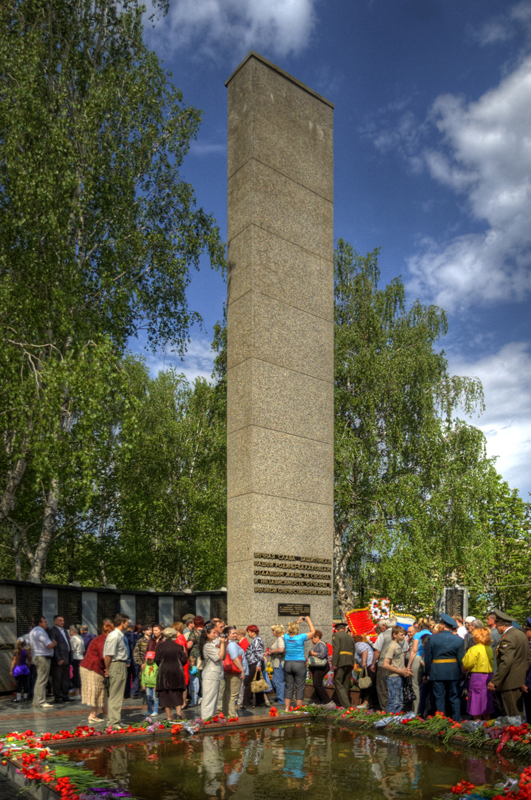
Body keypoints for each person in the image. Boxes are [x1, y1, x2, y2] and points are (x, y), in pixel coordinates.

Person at [487, 609, 531, 717]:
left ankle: (516, 733)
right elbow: (528, 658)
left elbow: (506, 661)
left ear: (502, 624)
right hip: (520, 679)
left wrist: (495, 680)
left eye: (497, 624)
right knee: (518, 714)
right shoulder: (520, 634)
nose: (496, 627)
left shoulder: (508, 638)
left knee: (512, 715)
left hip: (510, 682)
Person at [423, 613, 464, 721]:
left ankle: (441, 721)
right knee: (454, 697)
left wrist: (427, 673)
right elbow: (460, 659)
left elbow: (428, 658)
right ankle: (456, 720)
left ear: (443, 625)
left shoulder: (432, 638)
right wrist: (461, 672)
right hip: (453, 672)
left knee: (439, 698)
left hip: (437, 671)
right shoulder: (459, 640)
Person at [80, 618, 114, 723]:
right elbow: (104, 655)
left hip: (91, 666)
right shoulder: (103, 640)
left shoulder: (101, 638)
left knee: (101, 690)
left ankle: (106, 713)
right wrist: (108, 668)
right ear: (108, 632)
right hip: (92, 667)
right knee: (96, 691)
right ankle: (92, 715)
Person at [103, 613, 130, 729]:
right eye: (127, 622)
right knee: (115, 695)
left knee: (119, 694)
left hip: (121, 664)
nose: (129, 624)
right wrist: (107, 669)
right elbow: (108, 654)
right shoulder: (114, 636)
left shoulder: (120, 635)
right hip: (116, 665)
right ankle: (113, 722)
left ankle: (116, 720)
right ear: (122, 623)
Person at [155, 628, 188, 721]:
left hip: (164, 672)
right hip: (177, 671)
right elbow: (184, 660)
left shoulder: (159, 647)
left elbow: (156, 659)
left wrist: (162, 665)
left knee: (165, 694)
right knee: (177, 693)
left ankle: (169, 717)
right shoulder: (179, 646)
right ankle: (178, 714)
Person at [284, 616, 316, 711]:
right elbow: (313, 632)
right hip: (299, 663)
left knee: (288, 686)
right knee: (300, 687)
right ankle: (298, 708)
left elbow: (288, 631)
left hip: (288, 663)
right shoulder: (301, 637)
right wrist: (309, 621)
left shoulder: (286, 637)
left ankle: (286, 708)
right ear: (297, 630)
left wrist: (297, 622)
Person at [462, 626, 494, 720]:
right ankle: (487, 723)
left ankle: (477, 723)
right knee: (486, 699)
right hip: (489, 676)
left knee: (476, 700)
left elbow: (467, 663)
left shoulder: (474, 649)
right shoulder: (489, 648)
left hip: (477, 676)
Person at [199, 622, 227, 719]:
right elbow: (218, 658)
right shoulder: (207, 646)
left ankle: (210, 719)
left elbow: (223, 656)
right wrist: (222, 643)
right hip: (210, 675)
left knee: (214, 699)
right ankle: (205, 719)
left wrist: (223, 643)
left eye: (216, 633)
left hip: (216, 674)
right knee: (208, 699)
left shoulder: (212, 644)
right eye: (213, 633)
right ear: (207, 635)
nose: (216, 634)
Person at [29, 615, 57, 708]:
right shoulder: (40, 631)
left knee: (39, 680)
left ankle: (36, 700)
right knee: (42, 680)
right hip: (43, 658)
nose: (46, 623)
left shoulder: (33, 631)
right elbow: (49, 645)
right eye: (44, 621)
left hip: (37, 656)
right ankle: (41, 701)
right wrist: (55, 644)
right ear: (39, 623)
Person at [383, 626, 412, 713]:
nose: (404, 636)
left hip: (398, 677)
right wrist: (400, 671)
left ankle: (395, 720)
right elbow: (385, 665)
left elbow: (398, 662)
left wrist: (405, 670)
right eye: (401, 635)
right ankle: (389, 720)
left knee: (399, 701)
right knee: (394, 702)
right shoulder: (392, 647)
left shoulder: (399, 645)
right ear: (394, 635)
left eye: (404, 635)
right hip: (393, 677)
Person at [372, 618, 397, 711]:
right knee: (394, 686)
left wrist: (373, 663)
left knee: (382, 686)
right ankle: (395, 708)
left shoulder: (383, 635)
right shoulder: (401, 635)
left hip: (383, 664)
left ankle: (385, 709)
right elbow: (405, 651)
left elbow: (377, 651)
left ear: (384, 626)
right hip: (397, 665)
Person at [408, 620, 432, 713]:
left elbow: (414, 650)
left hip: (418, 658)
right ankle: (425, 711)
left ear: (419, 626)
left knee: (416, 685)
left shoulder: (417, 635)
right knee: (427, 685)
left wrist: (409, 665)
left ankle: (416, 710)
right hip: (428, 658)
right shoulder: (431, 634)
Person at [243, 625, 268, 709]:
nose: (248, 634)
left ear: (252, 631)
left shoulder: (257, 640)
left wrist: (258, 664)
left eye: (248, 631)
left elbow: (259, 653)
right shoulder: (256, 640)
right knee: (257, 682)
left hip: (255, 664)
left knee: (248, 682)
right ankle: (260, 702)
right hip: (255, 663)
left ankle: (247, 702)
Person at [223, 626, 245, 719]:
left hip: (229, 671)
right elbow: (235, 658)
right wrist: (242, 670)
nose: (235, 635)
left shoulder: (226, 643)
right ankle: (232, 716)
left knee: (227, 693)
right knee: (233, 695)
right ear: (227, 634)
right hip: (234, 672)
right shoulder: (232, 644)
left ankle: (226, 714)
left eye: (235, 633)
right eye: (233, 633)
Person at [48, 614, 72, 704]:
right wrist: (58, 658)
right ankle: (57, 696)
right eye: (60, 620)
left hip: (67, 657)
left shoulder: (65, 630)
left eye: (63, 620)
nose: (62, 622)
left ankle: (65, 695)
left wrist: (70, 657)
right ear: (55, 621)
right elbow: (55, 646)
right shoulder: (52, 631)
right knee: (57, 679)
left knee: (66, 678)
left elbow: (67, 644)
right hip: (59, 659)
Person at [332, 622, 355, 708]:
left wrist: (334, 663)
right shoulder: (350, 637)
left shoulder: (336, 636)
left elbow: (336, 649)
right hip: (350, 662)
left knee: (338, 682)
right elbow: (354, 650)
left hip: (341, 662)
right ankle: (344, 703)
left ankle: (346, 705)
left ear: (336, 630)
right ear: (344, 629)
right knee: (346, 683)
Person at [308, 629, 330, 705]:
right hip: (318, 667)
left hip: (321, 667)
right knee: (317, 683)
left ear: (317, 637)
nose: (311, 640)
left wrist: (312, 653)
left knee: (317, 684)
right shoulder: (318, 644)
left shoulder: (321, 644)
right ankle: (318, 702)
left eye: (312, 638)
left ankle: (328, 701)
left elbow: (323, 654)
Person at [353, 635, 374, 709]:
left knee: (366, 683)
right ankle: (369, 702)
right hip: (370, 665)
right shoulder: (364, 644)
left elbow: (364, 652)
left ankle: (366, 702)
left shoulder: (358, 644)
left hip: (368, 665)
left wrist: (363, 662)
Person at [10, 637, 31, 703]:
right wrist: (28, 667)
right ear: (25, 644)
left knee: (18, 683)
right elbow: (29, 662)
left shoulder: (16, 652)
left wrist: (11, 670)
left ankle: (18, 698)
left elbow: (14, 662)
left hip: (18, 668)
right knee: (25, 683)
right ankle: (25, 698)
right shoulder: (27, 651)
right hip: (25, 668)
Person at [269, 624, 286, 705]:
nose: (272, 632)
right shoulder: (284, 637)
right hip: (280, 662)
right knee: (275, 680)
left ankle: (281, 700)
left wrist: (272, 652)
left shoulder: (280, 638)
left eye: (273, 630)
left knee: (278, 681)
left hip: (279, 662)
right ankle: (280, 697)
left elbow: (281, 649)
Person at [124, 622, 141, 699]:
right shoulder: (137, 636)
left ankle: (126, 692)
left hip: (126, 658)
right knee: (135, 676)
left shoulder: (124, 636)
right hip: (135, 658)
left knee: (126, 676)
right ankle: (134, 693)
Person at [141, 651, 159, 719]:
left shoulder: (156, 666)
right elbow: (143, 675)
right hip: (147, 685)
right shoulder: (145, 666)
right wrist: (143, 684)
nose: (149, 660)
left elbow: (157, 676)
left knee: (155, 698)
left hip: (154, 685)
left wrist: (156, 685)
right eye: (148, 659)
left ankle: (155, 711)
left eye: (150, 659)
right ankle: (149, 710)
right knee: (148, 698)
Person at [69, 625, 85, 697]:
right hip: (81, 658)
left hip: (75, 659)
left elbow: (72, 650)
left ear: (72, 631)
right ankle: (81, 692)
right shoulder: (80, 638)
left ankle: (77, 693)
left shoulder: (73, 639)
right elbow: (83, 650)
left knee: (76, 676)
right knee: (80, 676)